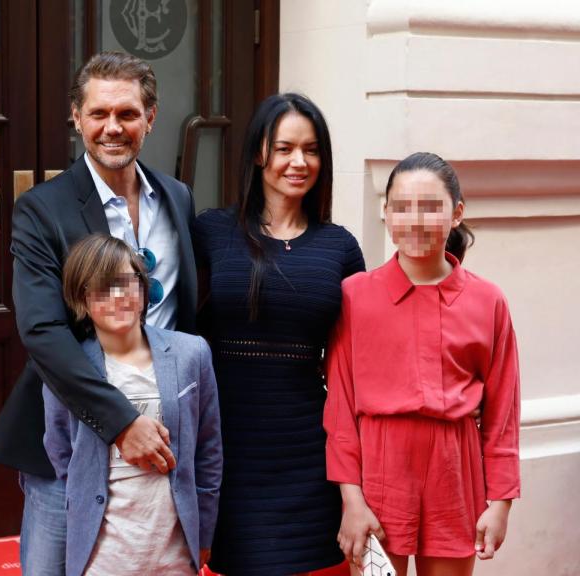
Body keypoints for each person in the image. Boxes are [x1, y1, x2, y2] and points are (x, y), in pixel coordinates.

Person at [0, 51, 199, 574]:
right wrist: (122, 422)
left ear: (151, 116)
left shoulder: (177, 198)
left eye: (126, 114)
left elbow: (185, 313)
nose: (112, 128)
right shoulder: (42, 208)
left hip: (163, 434)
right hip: (72, 433)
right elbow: (42, 330)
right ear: (77, 118)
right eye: (98, 114)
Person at [324, 152, 520, 576]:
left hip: (454, 473)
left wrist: (500, 502)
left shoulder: (488, 301)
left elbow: (504, 411)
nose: (415, 220)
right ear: (387, 214)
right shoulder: (355, 297)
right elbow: (339, 410)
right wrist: (351, 500)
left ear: (456, 214)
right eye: (402, 206)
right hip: (378, 474)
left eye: (431, 206)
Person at [194, 93, 365, 575]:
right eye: (284, 147)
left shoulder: (340, 247)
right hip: (227, 444)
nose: (299, 161)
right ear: (258, 153)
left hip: (307, 446)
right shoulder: (210, 232)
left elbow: (356, 363)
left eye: (311, 150)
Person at [43, 234, 221, 576]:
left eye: (127, 283)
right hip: (103, 555)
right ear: (82, 298)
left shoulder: (190, 353)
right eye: (102, 288)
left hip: (173, 550)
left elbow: (208, 449)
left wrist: (204, 530)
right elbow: (61, 451)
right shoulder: (70, 369)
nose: (119, 297)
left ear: (143, 287)